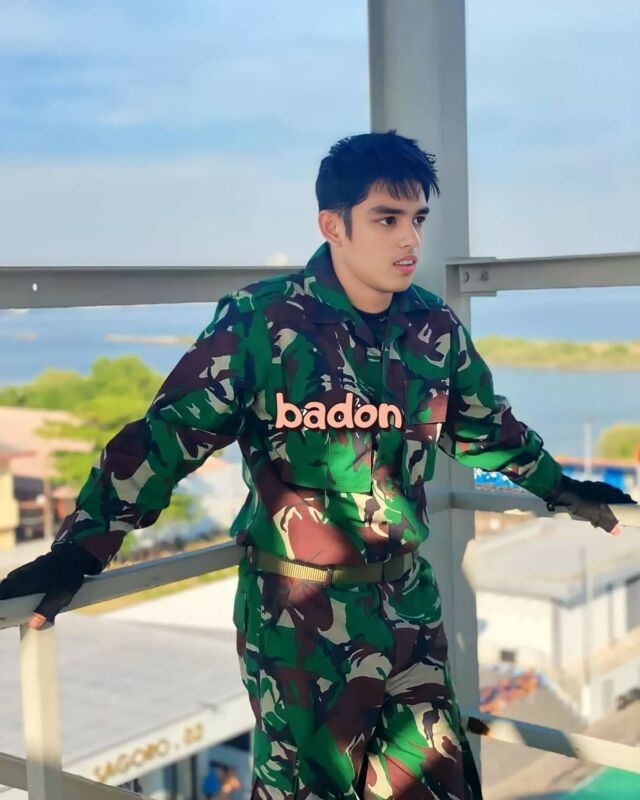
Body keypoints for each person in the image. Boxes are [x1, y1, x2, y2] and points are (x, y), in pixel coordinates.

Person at [0, 130, 635, 800]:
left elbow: (484, 429)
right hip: (299, 619)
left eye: (417, 219)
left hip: (409, 606)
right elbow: (165, 440)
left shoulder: (433, 327)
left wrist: (560, 486)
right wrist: (77, 552)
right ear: (333, 225)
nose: (409, 240)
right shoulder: (262, 322)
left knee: (439, 786)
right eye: (386, 219)